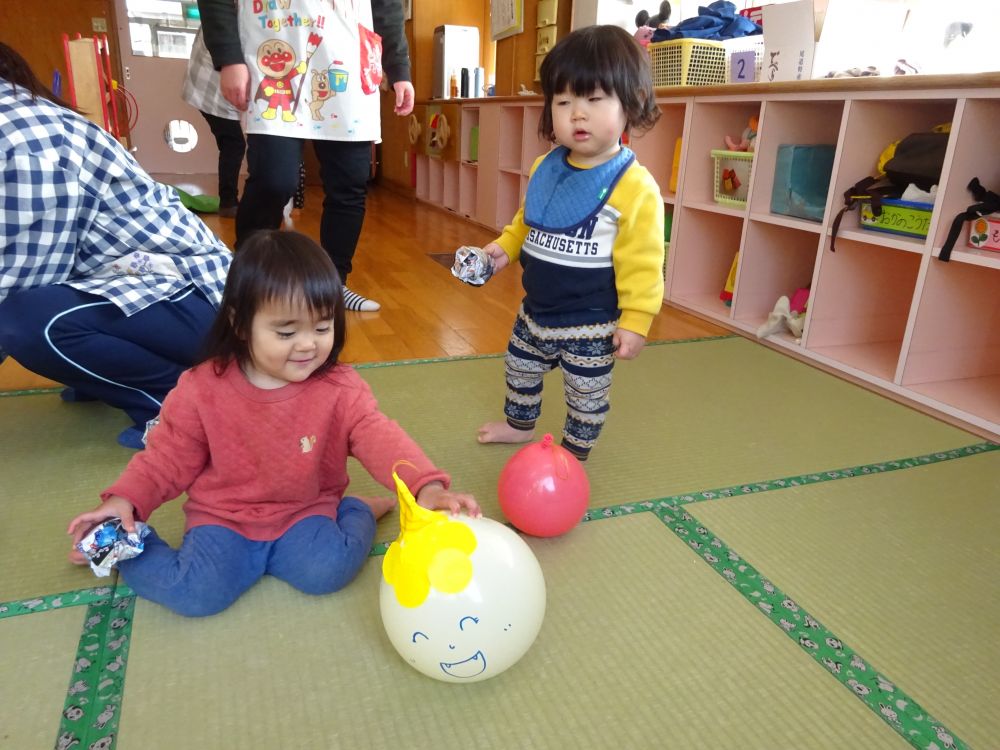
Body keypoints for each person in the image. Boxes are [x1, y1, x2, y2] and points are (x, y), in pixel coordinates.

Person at [68, 230, 481, 617]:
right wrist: (125, 501)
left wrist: (424, 486)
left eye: (322, 327)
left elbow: (380, 437)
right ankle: (126, 544)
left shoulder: (338, 387)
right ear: (239, 323)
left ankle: (357, 510)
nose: (308, 344)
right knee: (196, 594)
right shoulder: (201, 390)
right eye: (286, 332)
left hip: (304, 511)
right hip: (224, 518)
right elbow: (165, 460)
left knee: (328, 573)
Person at [0, 41, 232, 449]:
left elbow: (22, 277)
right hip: (159, 289)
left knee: (24, 320)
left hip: (203, 301)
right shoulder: (20, 120)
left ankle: (177, 407)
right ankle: (116, 371)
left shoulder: (19, 138)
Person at [474, 25, 665, 462]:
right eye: (563, 102)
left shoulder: (635, 187)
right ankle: (520, 425)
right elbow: (528, 222)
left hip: (591, 323)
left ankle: (573, 453)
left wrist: (636, 319)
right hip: (534, 311)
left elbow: (645, 263)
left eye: (594, 100)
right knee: (519, 369)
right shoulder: (546, 166)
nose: (577, 114)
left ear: (629, 104)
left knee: (586, 394)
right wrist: (500, 251)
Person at [197, 0, 416, 312]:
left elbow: (387, 5)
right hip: (272, 55)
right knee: (274, 180)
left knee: (350, 184)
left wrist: (399, 69)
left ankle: (333, 285)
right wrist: (228, 57)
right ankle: (246, 283)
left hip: (348, 63)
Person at [182, 27, 246, 218]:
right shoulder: (223, 21)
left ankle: (229, 201)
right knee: (233, 144)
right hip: (212, 89)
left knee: (232, 143)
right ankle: (228, 202)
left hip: (210, 87)